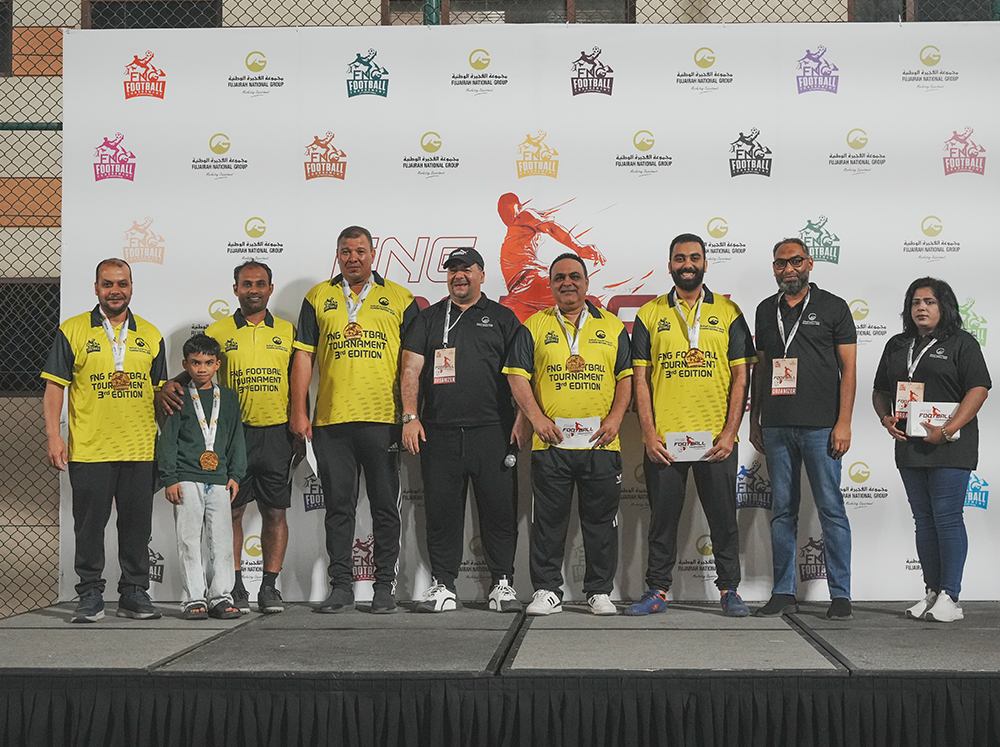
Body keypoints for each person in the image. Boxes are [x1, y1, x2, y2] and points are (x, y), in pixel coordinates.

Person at [627, 233, 757, 617]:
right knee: (661, 522)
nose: (687, 264)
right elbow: (640, 379)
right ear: (670, 265)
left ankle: (730, 591)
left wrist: (730, 433)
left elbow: (742, 377)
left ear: (704, 263)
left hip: (715, 440)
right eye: (680, 258)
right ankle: (657, 591)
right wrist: (648, 434)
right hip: (665, 441)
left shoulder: (729, 312)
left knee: (724, 521)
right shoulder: (649, 314)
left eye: (694, 258)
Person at [290, 225, 418, 614]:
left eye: (360, 251)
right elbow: (304, 356)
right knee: (338, 508)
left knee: (385, 507)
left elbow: (413, 363)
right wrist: (299, 410)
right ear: (338, 255)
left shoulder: (400, 298)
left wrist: (410, 415)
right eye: (346, 251)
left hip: (383, 419)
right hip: (331, 422)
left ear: (372, 254)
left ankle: (384, 587)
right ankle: (341, 586)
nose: (353, 258)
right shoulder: (318, 297)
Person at [157, 261, 295, 615]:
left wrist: (300, 418)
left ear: (270, 288)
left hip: (276, 432)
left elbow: (299, 378)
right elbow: (198, 368)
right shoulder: (218, 331)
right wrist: (170, 385)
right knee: (230, 513)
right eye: (247, 284)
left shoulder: (287, 330)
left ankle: (269, 587)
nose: (253, 290)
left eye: (260, 283)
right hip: (230, 434)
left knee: (275, 511)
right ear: (235, 289)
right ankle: (233, 589)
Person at [503, 253, 632, 616]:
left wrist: (616, 419)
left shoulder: (612, 326)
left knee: (601, 522)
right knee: (548, 522)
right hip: (551, 442)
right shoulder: (533, 326)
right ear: (551, 284)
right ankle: (547, 590)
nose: (567, 283)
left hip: (601, 443)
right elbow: (517, 376)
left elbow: (626, 378)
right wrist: (536, 418)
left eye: (574, 276)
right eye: (559, 278)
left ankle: (599, 591)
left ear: (587, 282)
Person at [42, 258, 167, 622]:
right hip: (90, 449)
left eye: (122, 283)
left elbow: (161, 396)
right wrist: (54, 435)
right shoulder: (73, 330)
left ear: (132, 287)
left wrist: (167, 448)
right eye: (108, 284)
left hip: (140, 449)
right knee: (89, 527)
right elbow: (54, 387)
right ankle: (90, 593)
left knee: (136, 528)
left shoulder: (151, 334)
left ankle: (134, 592)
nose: (116, 291)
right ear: (96, 288)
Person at [400, 247, 525, 613]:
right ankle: (443, 585)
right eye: (453, 269)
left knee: (500, 512)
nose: (459, 275)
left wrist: (523, 418)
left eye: (466, 269)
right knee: (441, 514)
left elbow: (521, 374)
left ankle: (502, 584)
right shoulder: (428, 319)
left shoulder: (503, 318)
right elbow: (410, 370)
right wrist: (410, 417)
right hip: (439, 433)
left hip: (494, 431)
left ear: (481, 275)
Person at [748, 238, 857, 620]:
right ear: (774, 268)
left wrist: (844, 422)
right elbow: (762, 367)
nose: (788, 269)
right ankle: (783, 592)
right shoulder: (765, 309)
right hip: (777, 425)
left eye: (795, 261)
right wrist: (755, 418)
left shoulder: (833, 307)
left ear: (809, 263)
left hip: (821, 426)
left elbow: (849, 369)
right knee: (782, 511)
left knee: (831, 509)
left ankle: (841, 595)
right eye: (781, 263)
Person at [873, 278, 990, 623]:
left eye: (929, 302)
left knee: (947, 517)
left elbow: (979, 389)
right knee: (923, 520)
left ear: (944, 307)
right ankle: (932, 591)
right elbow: (880, 389)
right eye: (915, 302)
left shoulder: (962, 343)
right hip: (910, 445)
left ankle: (951, 596)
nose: (921, 308)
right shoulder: (898, 344)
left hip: (951, 445)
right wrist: (885, 418)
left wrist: (949, 430)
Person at [157, 334, 247, 620]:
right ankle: (194, 598)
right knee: (188, 540)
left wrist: (236, 474)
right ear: (185, 364)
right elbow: (168, 439)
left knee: (222, 540)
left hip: (220, 478)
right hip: (186, 477)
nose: (202, 369)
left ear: (217, 364)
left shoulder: (228, 397)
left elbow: (236, 438)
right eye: (195, 363)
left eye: (208, 363)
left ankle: (220, 597)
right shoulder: (179, 396)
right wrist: (169, 477)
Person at [497, 192, 606, 322]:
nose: (505, 214)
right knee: (502, 321)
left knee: (584, 311)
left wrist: (579, 248)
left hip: (531, 280)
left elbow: (551, 228)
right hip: (519, 293)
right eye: (501, 211)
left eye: (508, 209)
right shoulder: (513, 231)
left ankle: (604, 322)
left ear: (519, 207)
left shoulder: (524, 216)